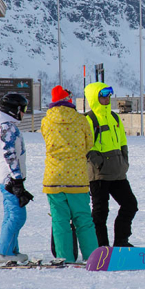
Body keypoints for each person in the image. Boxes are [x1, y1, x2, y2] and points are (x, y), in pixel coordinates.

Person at [41, 85, 99, 262]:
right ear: (68, 100)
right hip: (77, 179)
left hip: (54, 178)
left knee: (60, 221)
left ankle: (64, 257)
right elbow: (89, 143)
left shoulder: (46, 121)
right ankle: (92, 257)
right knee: (83, 220)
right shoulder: (81, 120)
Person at [84, 82, 138, 247]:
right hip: (99, 175)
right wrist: (99, 162)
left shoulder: (114, 117)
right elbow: (86, 146)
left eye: (109, 94)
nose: (107, 98)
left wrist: (124, 162)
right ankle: (101, 248)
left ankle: (121, 242)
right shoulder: (89, 119)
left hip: (117, 172)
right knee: (100, 213)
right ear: (95, 97)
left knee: (130, 205)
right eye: (103, 94)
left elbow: (122, 141)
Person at [0, 93, 34, 264]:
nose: (24, 113)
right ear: (14, 109)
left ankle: (11, 250)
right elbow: (10, 154)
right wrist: (16, 180)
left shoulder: (5, 125)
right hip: (9, 179)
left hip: (5, 177)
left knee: (11, 214)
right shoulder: (8, 128)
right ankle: (4, 252)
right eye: (23, 109)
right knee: (17, 215)